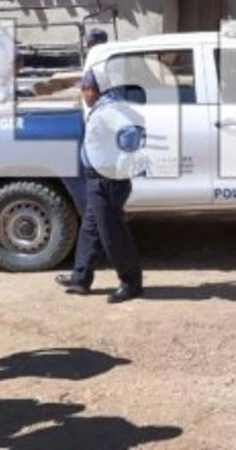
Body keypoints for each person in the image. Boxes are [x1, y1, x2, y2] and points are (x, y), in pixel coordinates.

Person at [55, 68, 143, 303]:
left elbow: (132, 134)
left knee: (112, 234)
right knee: (91, 229)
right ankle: (81, 277)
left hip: (108, 181)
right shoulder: (104, 108)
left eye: (84, 88)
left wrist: (121, 164)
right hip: (97, 179)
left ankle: (131, 282)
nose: (82, 93)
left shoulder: (109, 110)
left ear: (95, 90)